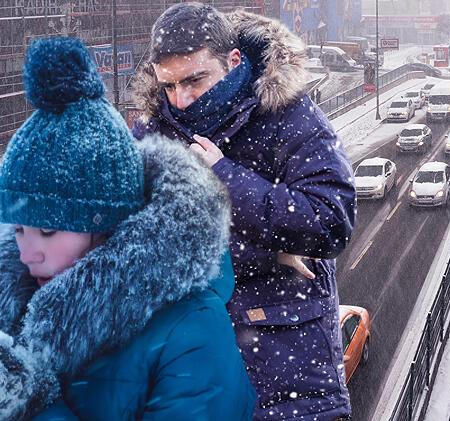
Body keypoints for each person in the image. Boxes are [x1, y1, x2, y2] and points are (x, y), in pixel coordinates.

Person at [0, 37, 255, 419]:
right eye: (19, 230)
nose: (27, 252)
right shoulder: (16, 305)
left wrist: (29, 403)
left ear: (106, 224)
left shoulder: (192, 331)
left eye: (49, 232)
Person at [131, 3, 356, 420]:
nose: (181, 100)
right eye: (169, 86)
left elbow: (331, 220)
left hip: (287, 375)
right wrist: (263, 250)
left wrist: (223, 177)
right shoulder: (152, 131)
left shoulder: (289, 114)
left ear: (233, 61)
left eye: (194, 80)